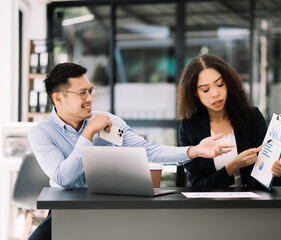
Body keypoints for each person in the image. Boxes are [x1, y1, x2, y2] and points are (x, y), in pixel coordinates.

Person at [28, 62, 234, 240]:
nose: (90, 98)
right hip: (65, 212)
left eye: (90, 91)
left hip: (108, 210)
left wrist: (194, 151)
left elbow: (147, 151)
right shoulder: (42, 133)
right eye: (82, 93)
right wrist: (89, 132)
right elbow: (64, 178)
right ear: (58, 99)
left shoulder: (109, 121)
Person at [177, 54, 281, 188]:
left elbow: (261, 179)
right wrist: (234, 165)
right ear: (195, 92)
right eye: (205, 90)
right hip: (209, 206)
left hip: (251, 205)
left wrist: (274, 171)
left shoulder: (252, 117)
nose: (215, 93)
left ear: (228, 83)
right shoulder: (189, 127)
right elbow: (196, 185)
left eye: (220, 84)